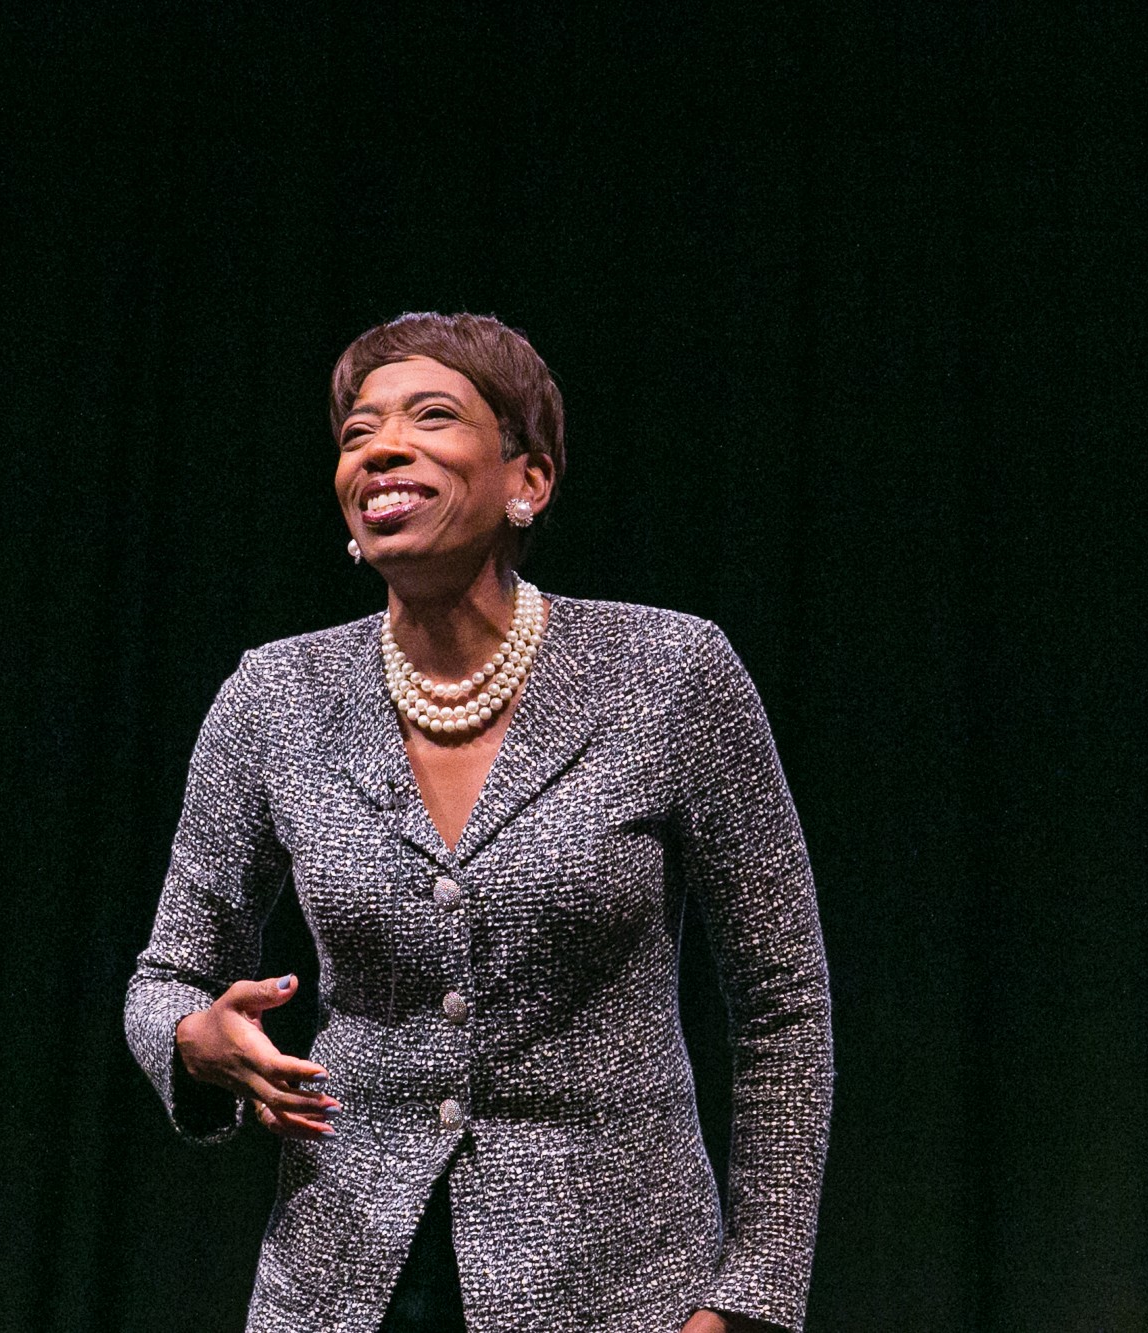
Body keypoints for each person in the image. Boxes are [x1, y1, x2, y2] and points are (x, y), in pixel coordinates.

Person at [124, 312, 833, 1333]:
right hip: (340, 1290)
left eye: (431, 416)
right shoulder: (272, 696)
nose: (382, 447)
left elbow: (783, 1004)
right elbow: (167, 978)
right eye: (358, 430)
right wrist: (194, 1039)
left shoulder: (670, 674)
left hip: (619, 1291)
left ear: (525, 480)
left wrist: (750, 1296)